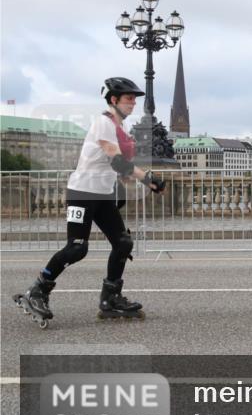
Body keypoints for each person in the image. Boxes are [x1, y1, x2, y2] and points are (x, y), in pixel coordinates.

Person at [12, 78, 166, 328]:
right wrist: (147, 179)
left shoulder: (120, 127)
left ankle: (110, 299)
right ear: (114, 100)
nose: (133, 103)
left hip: (102, 195)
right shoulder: (103, 123)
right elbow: (117, 161)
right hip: (82, 192)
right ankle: (37, 290)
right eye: (129, 98)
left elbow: (117, 168)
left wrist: (124, 185)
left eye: (134, 99)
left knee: (123, 242)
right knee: (77, 248)